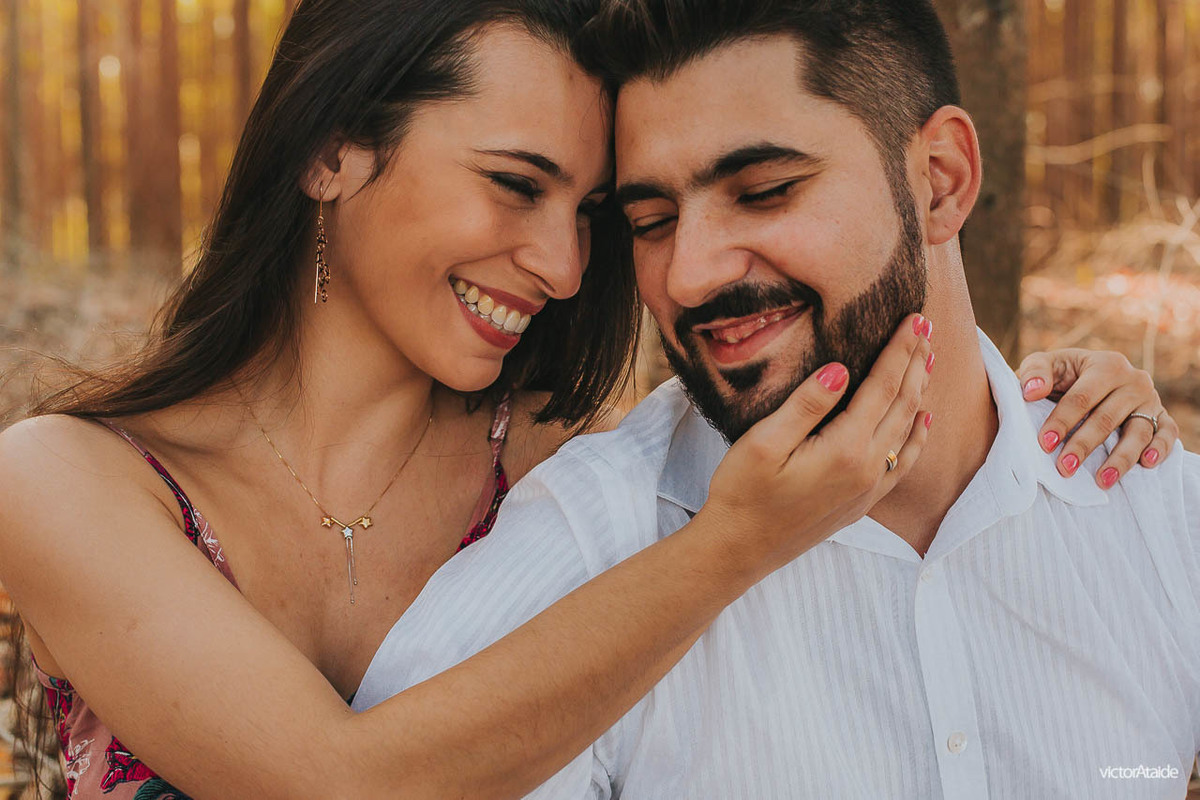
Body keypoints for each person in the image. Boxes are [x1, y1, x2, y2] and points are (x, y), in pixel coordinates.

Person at [0, 1, 1173, 799]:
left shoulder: (554, 458)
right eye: (516, 185)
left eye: (595, 216)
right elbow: (337, 782)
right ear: (332, 150)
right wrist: (733, 546)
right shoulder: (68, 481)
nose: (566, 268)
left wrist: (1032, 403)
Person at [353, 1, 1199, 798]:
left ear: (941, 182)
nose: (690, 275)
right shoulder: (586, 549)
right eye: (652, 222)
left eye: (763, 191)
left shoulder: (1160, 515)